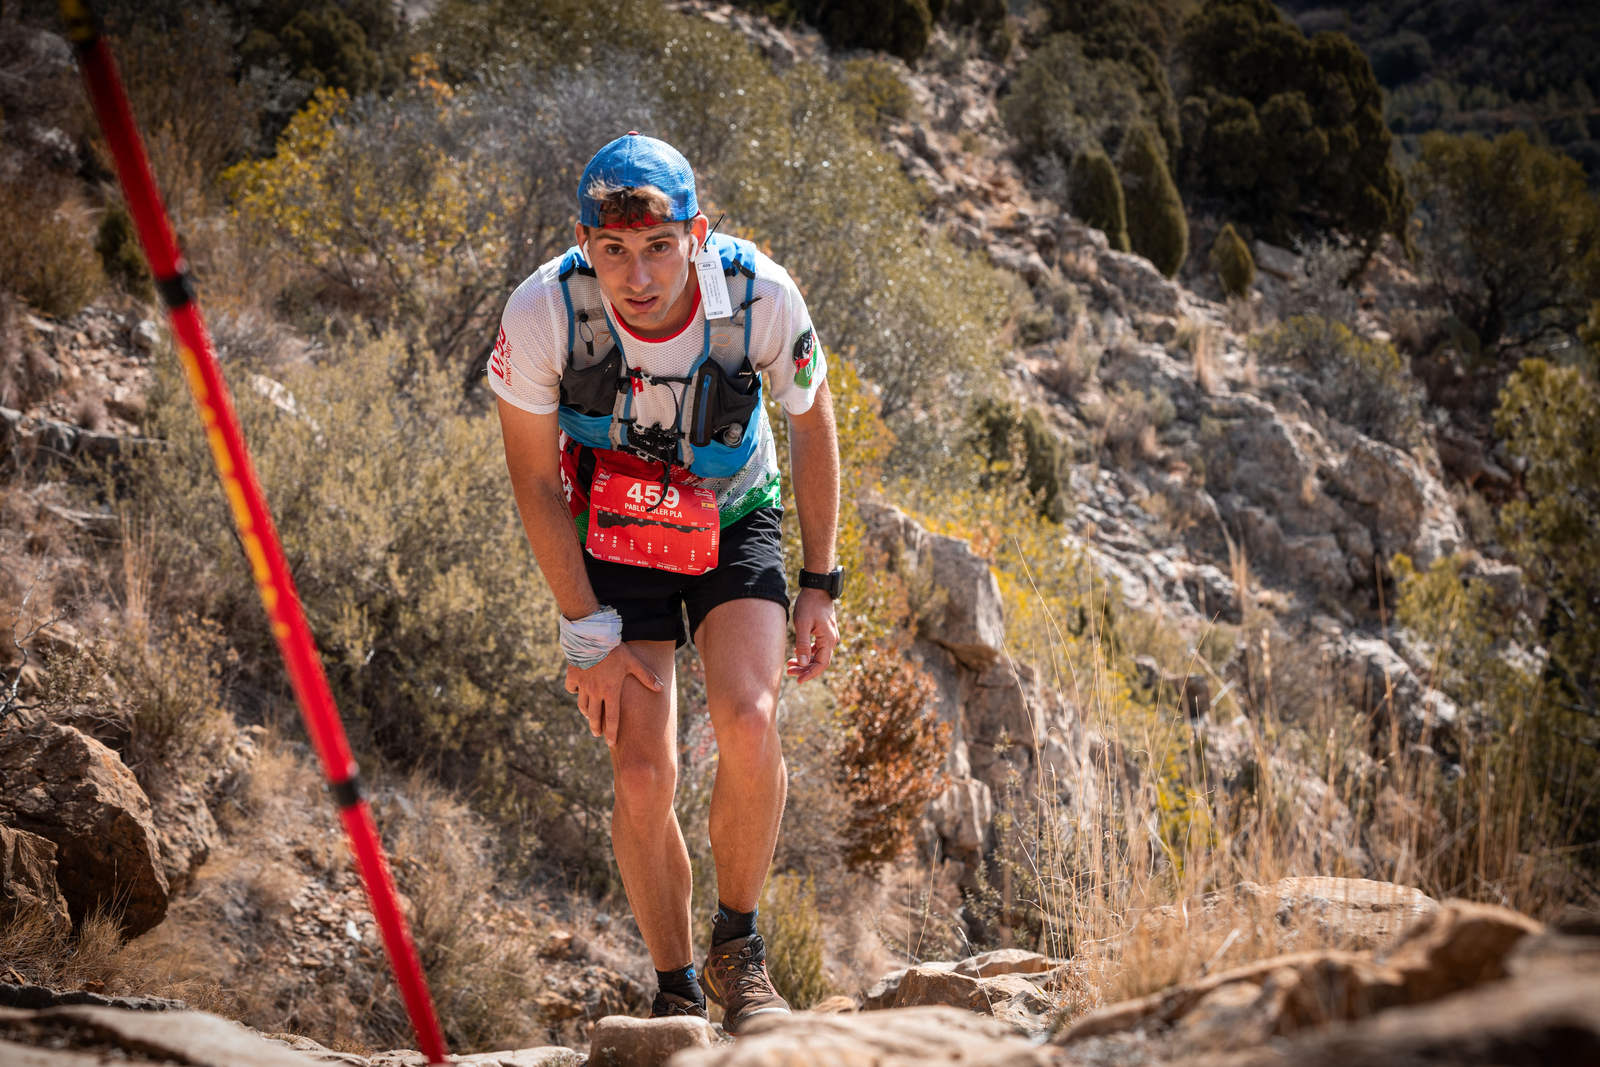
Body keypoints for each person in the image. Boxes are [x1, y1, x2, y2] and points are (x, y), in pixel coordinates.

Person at [488, 132, 843, 1031]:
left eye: (658, 246)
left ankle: (738, 952)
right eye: (613, 250)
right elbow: (532, 479)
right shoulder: (544, 311)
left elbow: (811, 421)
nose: (637, 275)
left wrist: (819, 581)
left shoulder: (760, 294)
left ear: (697, 232)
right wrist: (585, 631)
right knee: (643, 775)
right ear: (583, 240)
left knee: (750, 719)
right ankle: (676, 989)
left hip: (733, 514)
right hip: (614, 532)